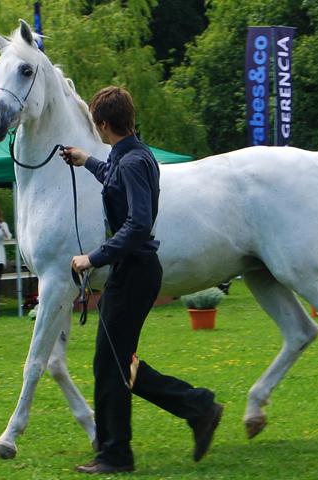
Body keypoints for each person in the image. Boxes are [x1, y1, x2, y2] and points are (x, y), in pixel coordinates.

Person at [61, 86, 222, 475]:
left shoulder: (132, 162)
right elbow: (114, 176)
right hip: (133, 272)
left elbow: (137, 225)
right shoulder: (133, 154)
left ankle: (124, 451)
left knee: (111, 363)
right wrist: (86, 161)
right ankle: (194, 409)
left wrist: (92, 258)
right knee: (114, 362)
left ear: (102, 124)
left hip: (133, 272)